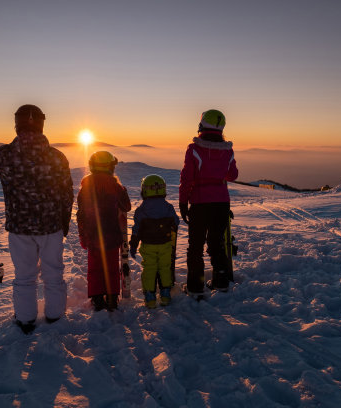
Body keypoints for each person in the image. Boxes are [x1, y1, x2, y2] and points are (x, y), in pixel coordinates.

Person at [0, 104, 73, 334]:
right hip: (51, 226)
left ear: (17, 124)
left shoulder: (6, 155)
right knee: (53, 273)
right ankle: (54, 316)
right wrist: (64, 222)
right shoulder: (56, 157)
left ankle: (25, 319)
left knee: (25, 275)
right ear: (42, 124)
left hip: (20, 228)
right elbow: (66, 192)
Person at [179, 109, 238, 299]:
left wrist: (182, 202)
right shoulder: (228, 151)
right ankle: (221, 281)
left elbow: (186, 178)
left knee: (195, 245)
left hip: (199, 202)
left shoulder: (194, 149)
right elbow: (233, 175)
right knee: (216, 242)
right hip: (221, 202)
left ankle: (195, 285)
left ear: (202, 125)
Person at [76, 151, 131, 311]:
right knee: (112, 268)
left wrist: (82, 234)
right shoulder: (115, 186)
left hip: (92, 236)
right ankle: (113, 297)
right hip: (112, 234)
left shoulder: (84, 187)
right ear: (111, 167)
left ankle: (97, 299)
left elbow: (81, 214)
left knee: (95, 269)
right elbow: (126, 207)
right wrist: (124, 190)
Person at [129, 174, 179, 308]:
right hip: (165, 245)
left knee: (149, 269)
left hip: (148, 246)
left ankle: (150, 297)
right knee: (164, 268)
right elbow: (176, 222)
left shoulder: (141, 210)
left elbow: (136, 229)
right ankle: (165, 294)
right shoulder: (168, 207)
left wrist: (133, 245)